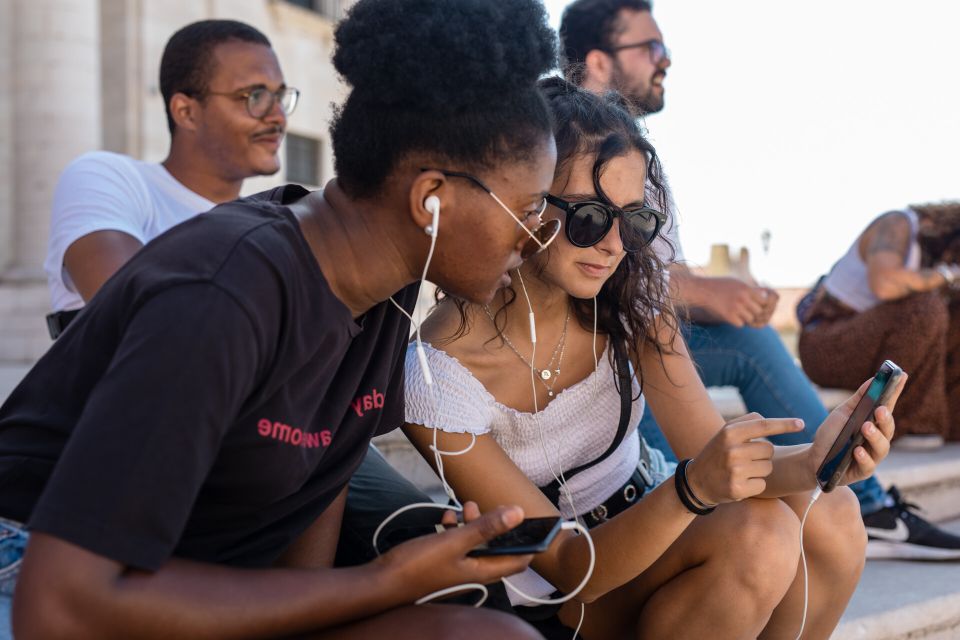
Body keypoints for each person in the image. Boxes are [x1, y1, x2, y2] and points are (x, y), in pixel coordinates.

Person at [0, 0, 565, 637]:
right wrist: (387, 580)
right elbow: (58, 605)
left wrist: (405, 577)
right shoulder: (222, 293)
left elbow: (314, 504)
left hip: (190, 580)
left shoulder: (387, 289)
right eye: (532, 208)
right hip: (31, 570)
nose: (539, 236)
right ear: (429, 199)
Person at [401, 77, 901, 640]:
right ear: (523, 200)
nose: (615, 244)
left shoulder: (629, 295)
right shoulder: (438, 374)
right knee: (760, 537)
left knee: (832, 514)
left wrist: (814, 460)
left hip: (651, 503)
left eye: (635, 220)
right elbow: (567, 566)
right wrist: (693, 490)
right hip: (557, 586)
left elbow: (711, 453)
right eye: (589, 217)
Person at [557, 0, 960, 562]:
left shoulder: (640, 157)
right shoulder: (554, 147)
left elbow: (649, 272)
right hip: (590, 352)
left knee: (750, 342)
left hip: (642, 339)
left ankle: (857, 492)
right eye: (650, 47)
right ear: (599, 61)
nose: (665, 60)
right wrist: (702, 291)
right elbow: (603, 272)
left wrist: (726, 295)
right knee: (742, 510)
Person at [43, 19, 298, 339]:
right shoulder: (109, 179)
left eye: (281, 95)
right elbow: (139, 316)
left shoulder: (272, 224)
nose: (278, 117)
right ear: (186, 112)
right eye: (255, 96)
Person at [799, 202, 960, 455]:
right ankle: (903, 423)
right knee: (925, 307)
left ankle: (943, 421)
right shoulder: (897, 224)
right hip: (826, 344)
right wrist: (948, 274)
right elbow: (884, 284)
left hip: (877, 349)